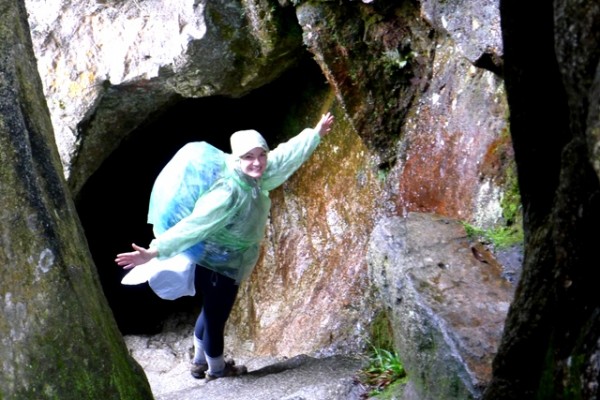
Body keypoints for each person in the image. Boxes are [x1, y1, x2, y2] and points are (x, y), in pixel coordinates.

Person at [115, 111, 335, 381]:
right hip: (217, 264)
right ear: (237, 159)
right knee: (216, 320)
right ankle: (218, 372)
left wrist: (314, 135)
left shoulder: (258, 176)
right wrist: (155, 251)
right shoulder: (228, 192)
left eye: (260, 154)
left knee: (210, 312)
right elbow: (194, 225)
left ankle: (198, 362)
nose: (257, 162)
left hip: (229, 259)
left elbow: (284, 156)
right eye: (249, 157)